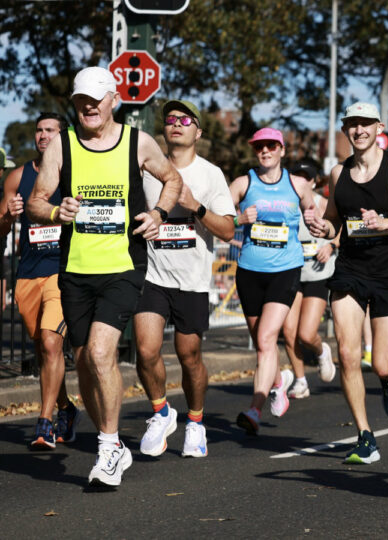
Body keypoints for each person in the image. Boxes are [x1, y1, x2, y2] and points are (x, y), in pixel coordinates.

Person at [26, 66, 183, 486]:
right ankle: (110, 442)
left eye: (96, 99)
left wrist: (158, 214)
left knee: (99, 352)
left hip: (123, 267)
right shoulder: (63, 146)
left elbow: (172, 179)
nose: (89, 106)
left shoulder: (138, 142)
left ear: (114, 99)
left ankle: (109, 448)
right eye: (81, 100)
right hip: (76, 269)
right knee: (83, 363)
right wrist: (58, 211)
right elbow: (37, 201)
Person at [307, 102, 388, 465]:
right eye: (352, 124)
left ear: (379, 127)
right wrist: (324, 228)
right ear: (345, 129)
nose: (359, 130)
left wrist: (387, 223)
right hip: (349, 269)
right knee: (348, 353)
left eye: (365, 124)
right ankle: (365, 436)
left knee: (380, 363)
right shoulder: (338, 173)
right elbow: (335, 221)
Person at [133, 99, 236, 458]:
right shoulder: (147, 171)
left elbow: (227, 230)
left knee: (189, 354)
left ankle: (195, 422)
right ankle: (162, 412)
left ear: (198, 131)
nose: (176, 124)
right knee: (145, 351)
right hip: (152, 275)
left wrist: (197, 207)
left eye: (185, 119)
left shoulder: (211, 174)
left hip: (192, 279)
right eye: (171, 119)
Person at [0, 112, 80, 450]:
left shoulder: (74, 173)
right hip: (28, 274)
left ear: (62, 136)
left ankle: (44, 423)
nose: (43, 135)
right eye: (39, 130)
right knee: (43, 348)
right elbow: (1, 229)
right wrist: (9, 214)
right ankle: (66, 408)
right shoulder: (18, 177)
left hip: (61, 270)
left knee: (51, 343)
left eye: (51, 130)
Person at [230, 127, 317, 435]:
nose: (264, 151)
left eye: (270, 146)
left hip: (285, 269)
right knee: (260, 341)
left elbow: (313, 212)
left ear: (281, 150)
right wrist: (239, 219)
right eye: (259, 147)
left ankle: (254, 409)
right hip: (250, 270)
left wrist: (315, 221)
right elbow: (222, 219)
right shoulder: (243, 183)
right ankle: (278, 381)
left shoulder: (298, 184)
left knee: (267, 338)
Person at [280, 159, 337, 400]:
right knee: (289, 330)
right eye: (298, 176)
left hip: (318, 273)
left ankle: (321, 350)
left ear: (315, 181)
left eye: (307, 176)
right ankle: (300, 380)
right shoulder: (284, 205)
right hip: (292, 271)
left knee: (306, 333)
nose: (303, 180)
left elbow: (343, 231)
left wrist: (332, 246)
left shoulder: (324, 205)